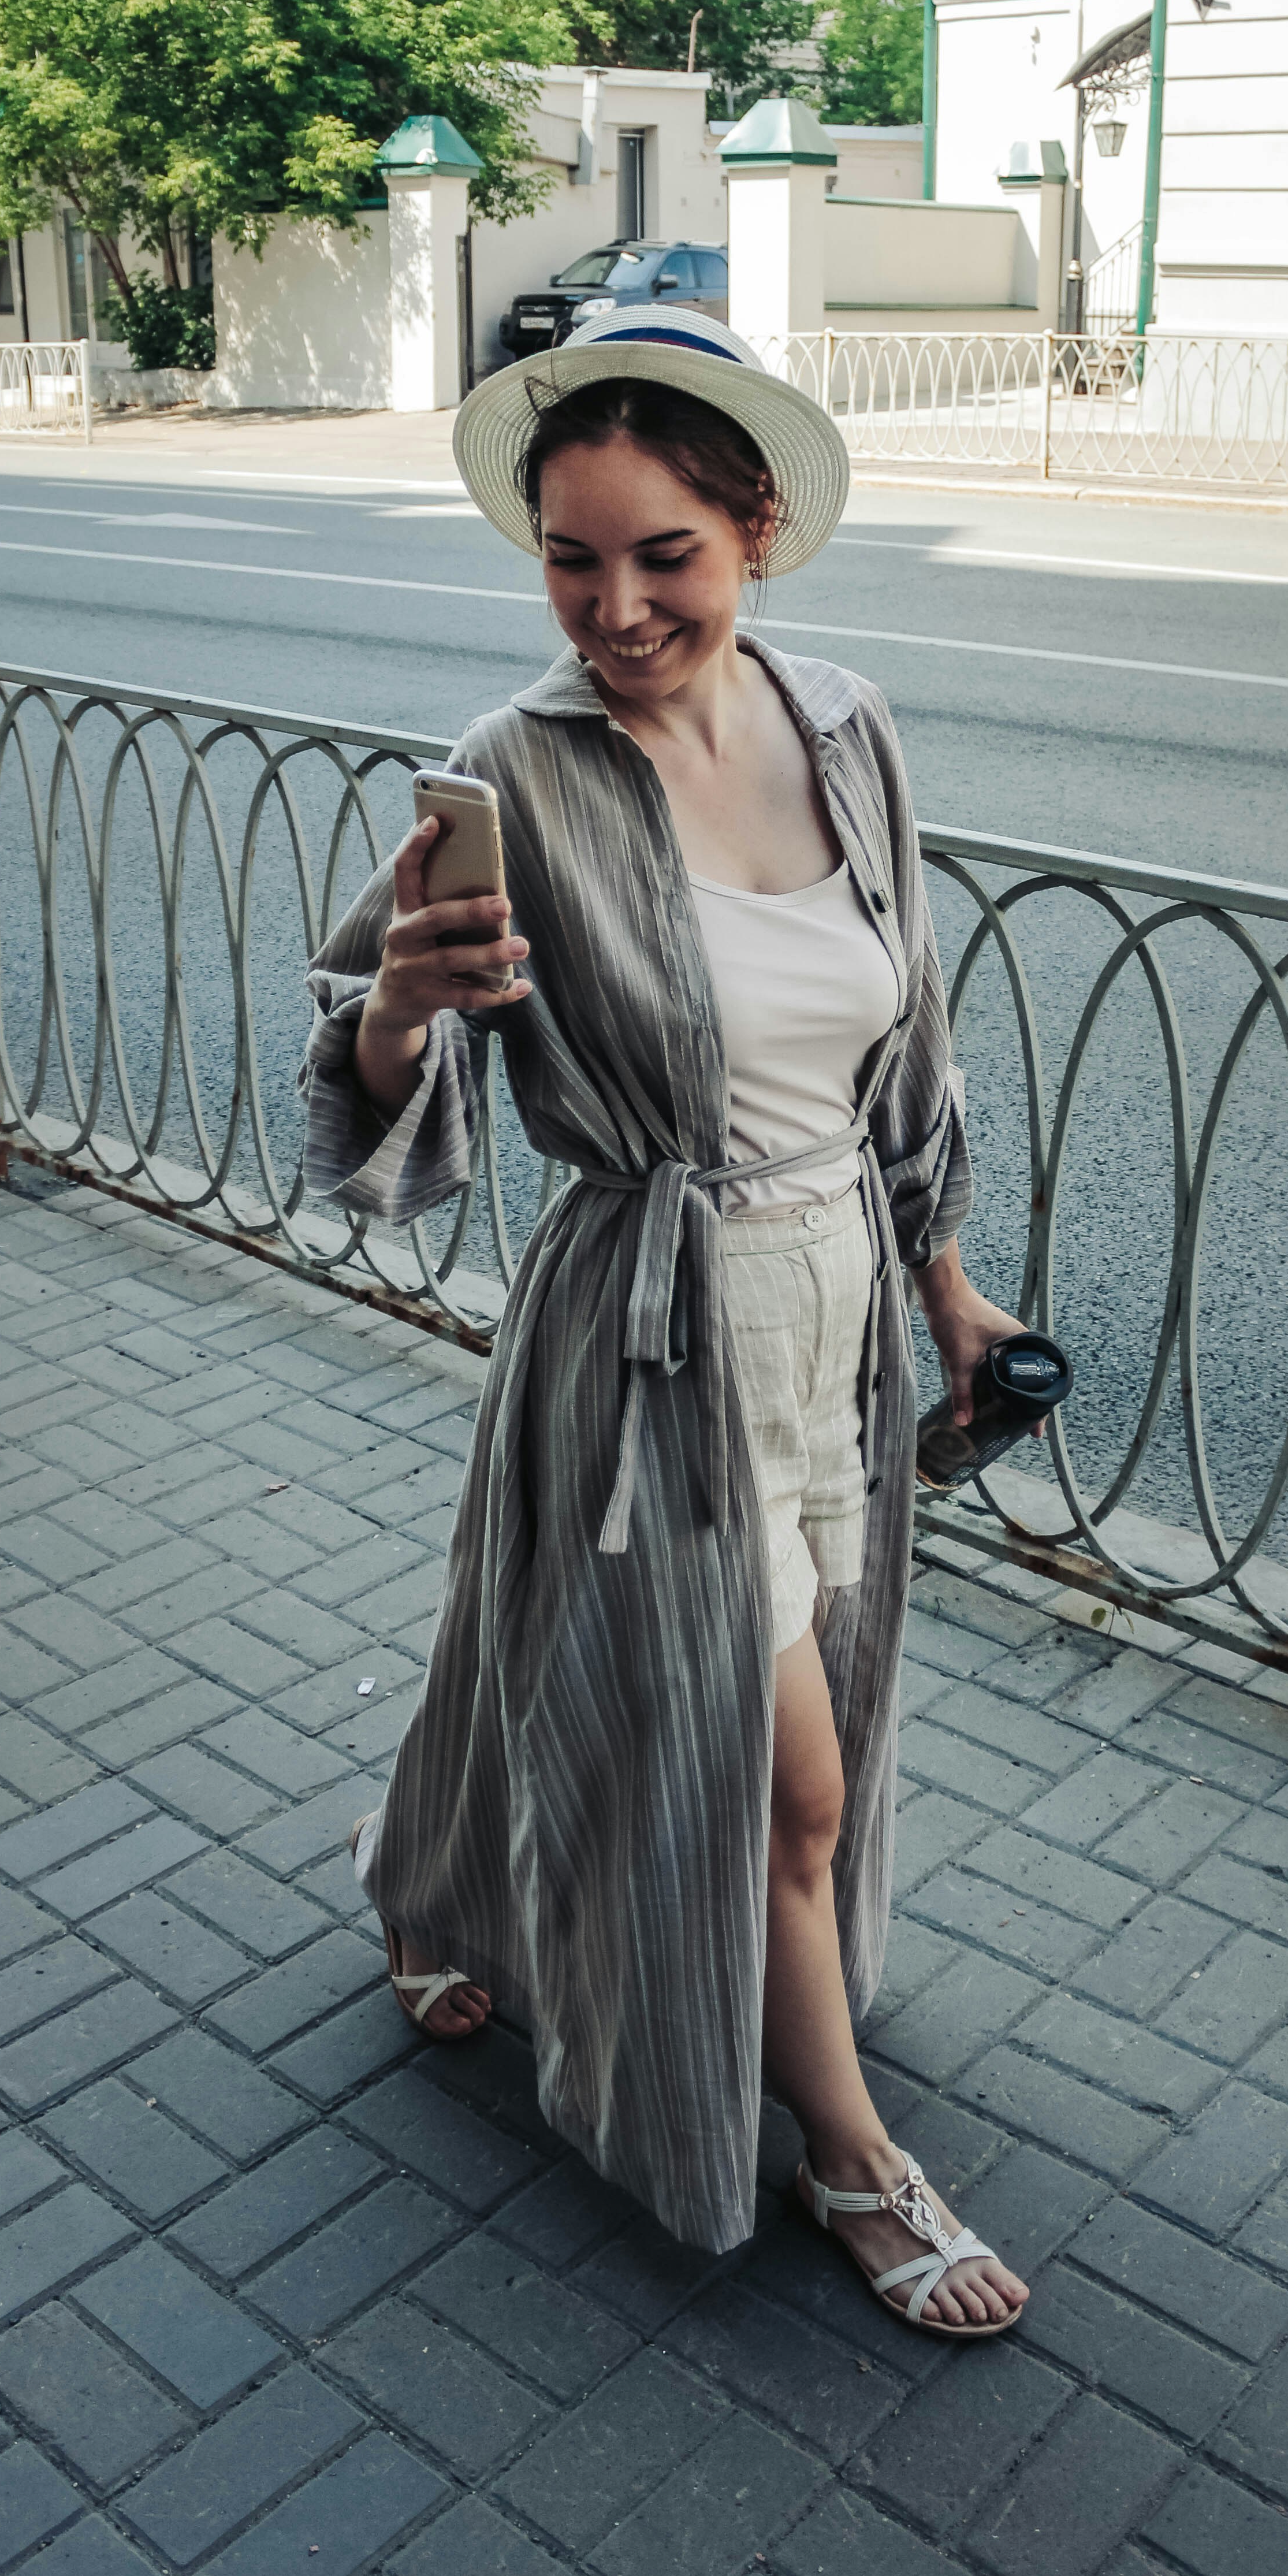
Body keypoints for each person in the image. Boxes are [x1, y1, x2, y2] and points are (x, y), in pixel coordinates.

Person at [302, 312, 1029, 2339]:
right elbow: (358, 1084)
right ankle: (850, 2159)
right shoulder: (511, 775)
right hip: (650, 1322)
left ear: (759, 532)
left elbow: (913, 1047)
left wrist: (950, 1279)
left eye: (664, 558)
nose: (614, 610)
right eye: (570, 558)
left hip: (840, 1320)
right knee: (771, 1771)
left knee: (534, 1635)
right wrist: (398, 1015)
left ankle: (430, 1883)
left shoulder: (850, 726)